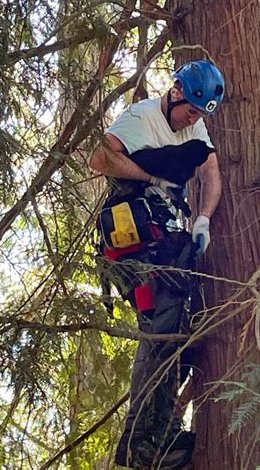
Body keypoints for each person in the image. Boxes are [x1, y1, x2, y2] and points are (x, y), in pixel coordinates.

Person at [89, 60, 225, 468]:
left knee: (185, 328)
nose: (192, 120)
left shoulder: (194, 127)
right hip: (133, 240)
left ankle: (162, 432)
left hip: (166, 238)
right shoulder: (142, 116)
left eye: (200, 115)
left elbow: (212, 172)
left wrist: (203, 217)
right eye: (190, 110)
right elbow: (101, 158)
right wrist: (151, 180)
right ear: (177, 92)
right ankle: (139, 443)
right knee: (162, 329)